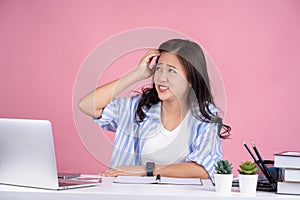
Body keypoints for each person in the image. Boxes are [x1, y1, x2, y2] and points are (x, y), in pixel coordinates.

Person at [79, 39, 231, 179]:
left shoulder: (204, 115)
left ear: (191, 79)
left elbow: (204, 169)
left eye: (171, 70)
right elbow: (87, 106)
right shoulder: (138, 108)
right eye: (159, 68)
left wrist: (147, 169)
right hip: (132, 195)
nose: (161, 78)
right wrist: (136, 74)